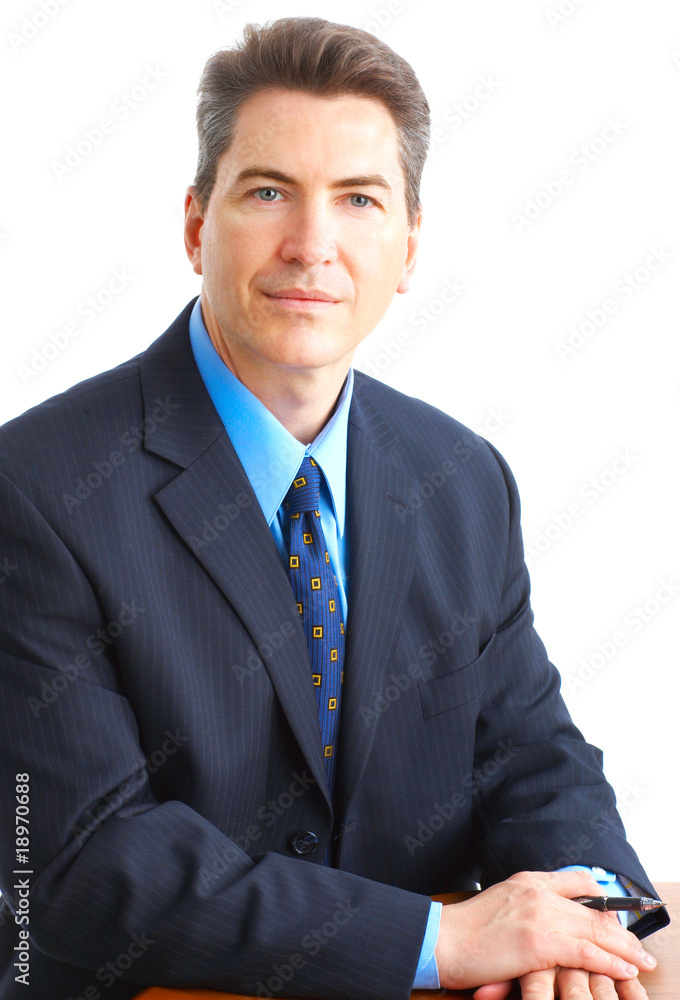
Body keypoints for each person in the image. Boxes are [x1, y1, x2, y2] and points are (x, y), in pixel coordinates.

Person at [0, 16, 668, 1000]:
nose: (312, 245)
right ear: (196, 225)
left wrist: (586, 921)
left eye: (358, 199)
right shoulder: (37, 485)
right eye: (269, 191)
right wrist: (439, 940)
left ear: (408, 247)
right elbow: (80, 862)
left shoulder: (461, 475)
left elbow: (532, 758)